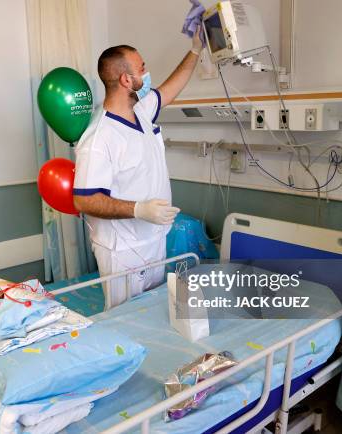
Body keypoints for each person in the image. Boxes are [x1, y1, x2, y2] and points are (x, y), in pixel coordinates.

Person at [73, 27, 204, 309]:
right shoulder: (99, 138)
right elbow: (84, 199)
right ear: (125, 79)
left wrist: (195, 49)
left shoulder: (141, 112)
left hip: (152, 238)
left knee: (151, 316)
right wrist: (139, 209)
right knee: (126, 320)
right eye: (142, 68)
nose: (147, 74)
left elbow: (171, 87)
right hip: (123, 249)